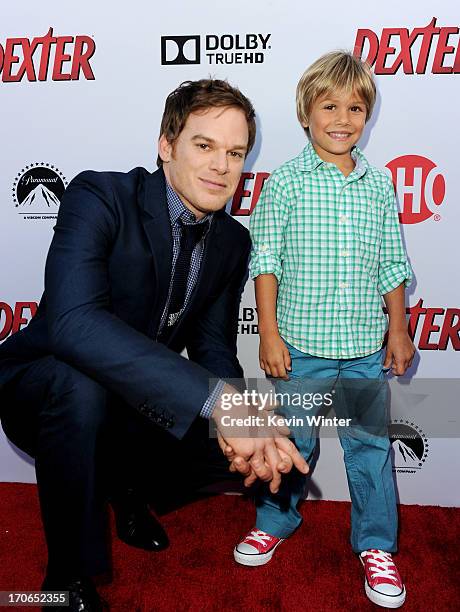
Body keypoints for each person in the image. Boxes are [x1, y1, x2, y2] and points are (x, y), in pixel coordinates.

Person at [0, 79, 308, 612]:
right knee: (84, 386)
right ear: (167, 144)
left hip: (133, 399)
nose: (221, 166)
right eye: (204, 146)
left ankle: (126, 490)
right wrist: (221, 404)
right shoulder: (98, 197)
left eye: (235, 153)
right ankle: (65, 576)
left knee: (249, 429)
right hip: (44, 389)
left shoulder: (232, 241)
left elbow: (213, 348)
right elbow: (74, 324)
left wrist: (246, 432)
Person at [232, 52, 415, 609]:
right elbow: (266, 262)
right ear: (305, 112)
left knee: (370, 450)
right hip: (301, 349)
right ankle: (276, 520)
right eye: (329, 105)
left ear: (368, 115)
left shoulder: (379, 185)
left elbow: (391, 261)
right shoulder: (284, 184)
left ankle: (377, 546)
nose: (342, 117)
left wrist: (400, 328)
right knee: (292, 444)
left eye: (355, 107)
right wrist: (269, 335)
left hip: (363, 349)